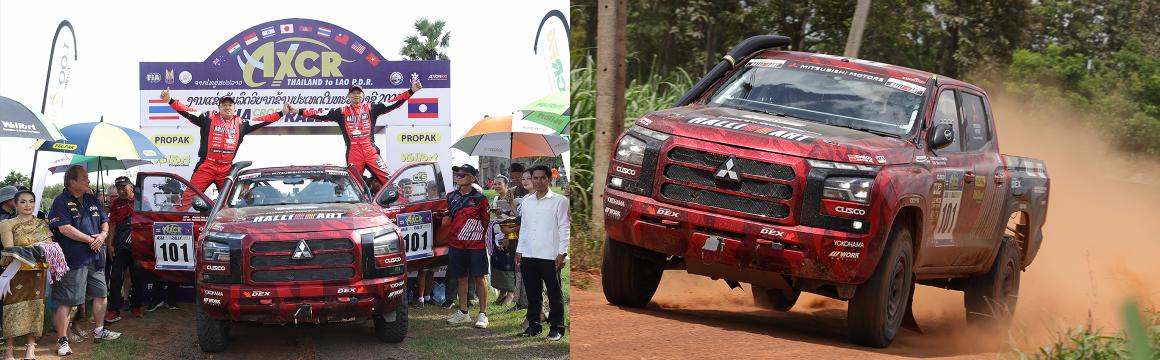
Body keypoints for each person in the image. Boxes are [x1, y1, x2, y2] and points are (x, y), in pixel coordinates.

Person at [161, 88, 288, 205]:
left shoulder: (241, 124)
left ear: (235, 108)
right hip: (207, 166)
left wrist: (282, 113)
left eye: (230, 105)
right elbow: (188, 111)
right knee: (188, 198)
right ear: (219, 108)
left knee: (231, 202)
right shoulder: (208, 118)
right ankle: (175, 224)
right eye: (224, 105)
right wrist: (170, 101)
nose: (227, 107)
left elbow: (263, 120)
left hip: (226, 169)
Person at [291, 78, 423, 186]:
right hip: (354, 153)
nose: (356, 95)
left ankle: (401, 204)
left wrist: (411, 91)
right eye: (353, 93)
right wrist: (298, 111)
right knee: (353, 186)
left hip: (370, 150)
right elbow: (319, 113)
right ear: (349, 96)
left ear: (363, 95)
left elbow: (393, 103)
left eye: (359, 93)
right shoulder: (341, 112)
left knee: (389, 180)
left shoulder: (371, 108)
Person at [47, 166, 121, 356]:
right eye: (84, 178)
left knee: (101, 294)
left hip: (95, 258)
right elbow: (64, 228)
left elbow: (104, 220)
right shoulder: (60, 201)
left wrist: (103, 235)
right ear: (72, 182)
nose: (88, 181)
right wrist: (91, 240)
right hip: (73, 259)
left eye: (88, 178)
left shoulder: (91, 199)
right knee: (67, 300)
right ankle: (62, 340)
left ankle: (99, 330)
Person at [515, 165, 570, 341]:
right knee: (533, 293)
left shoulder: (560, 201)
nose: (538, 181)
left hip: (550, 255)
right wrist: (519, 250)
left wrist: (562, 252)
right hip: (529, 254)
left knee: (554, 293)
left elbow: (564, 227)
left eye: (542, 178)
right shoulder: (527, 201)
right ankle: (534, 325)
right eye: (535, 178)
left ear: (549, 179)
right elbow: (524, 227)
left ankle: (557, 327)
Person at [0, 190, 56, 360]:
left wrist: (39, 247)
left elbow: (50, 246)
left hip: (37, 272)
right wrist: (37, 246)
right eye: (23, 202)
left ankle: (30, 349)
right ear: (15, 204)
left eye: (31, 201)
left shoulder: (41, 223)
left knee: (35, 307)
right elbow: (10, 249)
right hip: (15, 272)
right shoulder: (7, 224)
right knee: (11, 308)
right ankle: (8, 349)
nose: (28, 205)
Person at [443, 164, 491, 329]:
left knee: (479, 278)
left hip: (476, 245)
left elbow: (486, 222)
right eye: (457, 173)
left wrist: (475, 236)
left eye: (462, 174)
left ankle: (483, 314)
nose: (458, 176)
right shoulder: (450, 197)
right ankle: (463, 312)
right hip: (456, 244)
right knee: (461, 277)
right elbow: (449, 218)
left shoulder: (480, 199)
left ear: (472, 178)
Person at [105, 176, 146, 322]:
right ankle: (114, 310)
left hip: (138, 245)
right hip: (120, 245)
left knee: (138, 277)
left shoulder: (142, 200)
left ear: (131, 187)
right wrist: (110, 244)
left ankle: (136, 307)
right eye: (119, 188)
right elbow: (113, 224)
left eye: (124, 188)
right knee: (115, 277)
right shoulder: (116, 203)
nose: (121, 191)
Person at [488, 176, 518, 306]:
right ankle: (502, 292)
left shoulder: (513, 200)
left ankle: (511, 293)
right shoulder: (496, 199)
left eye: (499, 184)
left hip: (510, 235)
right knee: (497, 263)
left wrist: (506, 237)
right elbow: (500, 218)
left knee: (508, 264)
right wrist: (498, 213)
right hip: (497, 234)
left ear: (506, 185)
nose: (496, 186)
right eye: (495, 184)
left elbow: (514, 219)